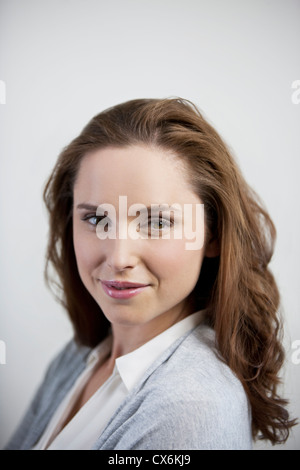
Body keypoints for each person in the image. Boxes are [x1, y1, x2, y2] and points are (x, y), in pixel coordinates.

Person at [5, 98, 296, 450]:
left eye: (157, 222)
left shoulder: (189, 407)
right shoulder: (81, 355)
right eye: (96, 219)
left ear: (213, 235)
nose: (118, 257)